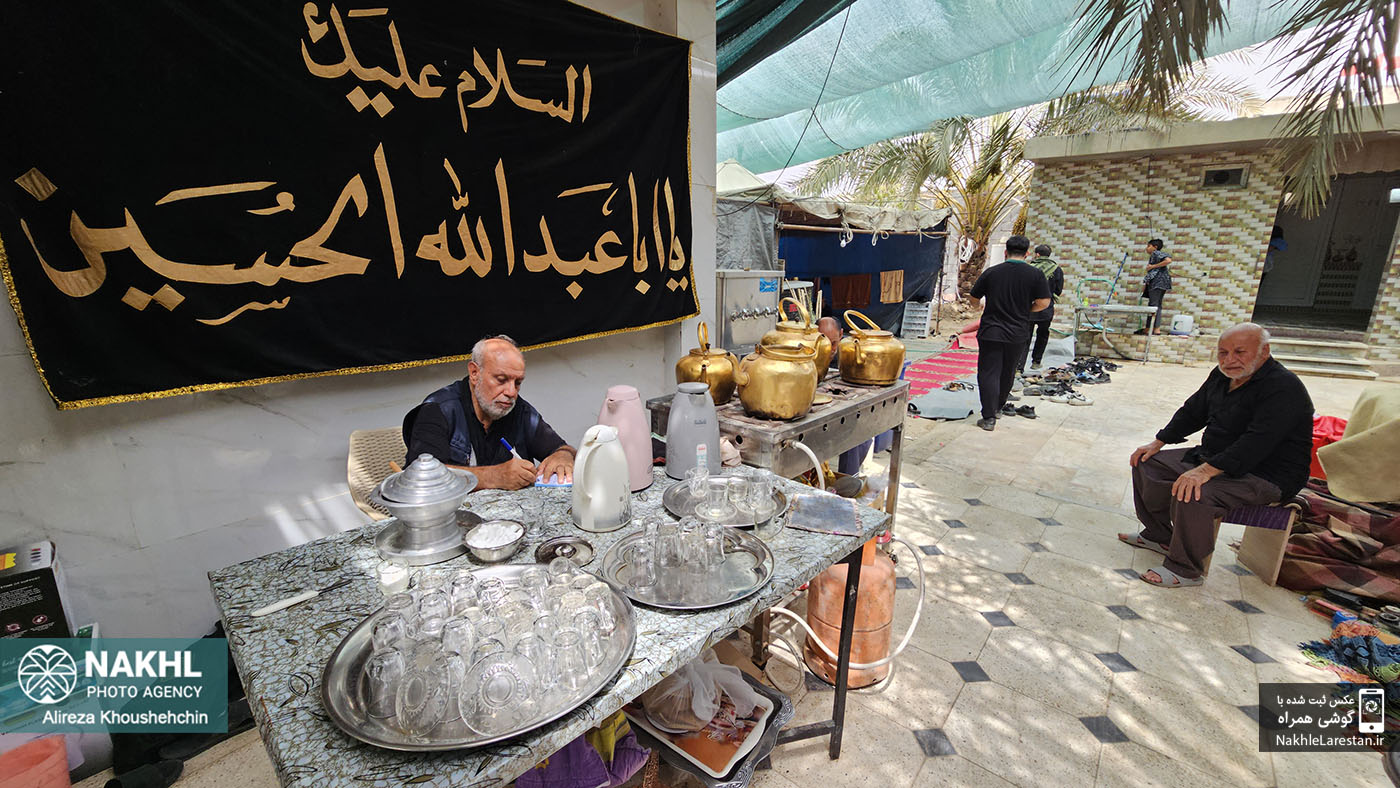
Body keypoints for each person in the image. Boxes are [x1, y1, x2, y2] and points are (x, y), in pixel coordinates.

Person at [1117, 324, 1313, 588]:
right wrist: (1159, 441)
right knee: (1147, 463)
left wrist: (1205, 471)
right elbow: (1193, 410)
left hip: (1266, 474)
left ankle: (1185, 568)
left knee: (1195, 491)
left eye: (1239, 352)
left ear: (1264, 351)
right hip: (1216, 457)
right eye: (1223, 352)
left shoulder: (1284, 387)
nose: (1229, 360)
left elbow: (1257, 442)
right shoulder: (1222, 376)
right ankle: (1159, 535)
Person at [402, 335, 575, 490]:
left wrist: (563, 456)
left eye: (517, 383)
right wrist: (494, 477)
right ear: (474, 373)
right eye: (501, 380)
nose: (511, 392)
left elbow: (563, 448)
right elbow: (420, 477)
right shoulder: (439, 409)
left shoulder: (518, 409)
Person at [969, 235, 1052, 431]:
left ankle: (988, 417)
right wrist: (1026, 310)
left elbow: (973, 297)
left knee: (989, 372)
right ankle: (998, 408)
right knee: (1008, 371)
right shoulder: (1035, 274)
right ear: (1027, 253)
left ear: (1006, 252)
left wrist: (979, 307)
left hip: (991, 331)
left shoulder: (992, 272)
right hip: (1018, 332)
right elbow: (1044, 302)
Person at [1019, 244, 1063, 371]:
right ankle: (1036, 362)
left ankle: (1019, 366)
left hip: (1029, 307)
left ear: (1037, 254)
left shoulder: (1029, 268)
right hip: (1046, 307)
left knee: (1025, 336)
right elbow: (1058, 290)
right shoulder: (1056, 269)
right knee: (1042, 335)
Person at [1141, 238, 1172, 334]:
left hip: (1157, 283)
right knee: (1157, 305)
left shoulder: (1156, 253)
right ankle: (1154, 328)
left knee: (1153, 306)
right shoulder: (1155, 256)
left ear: (1155, 247)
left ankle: (1151, 328)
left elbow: (1168, 260)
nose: (1146, 248)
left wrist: (1152, 266)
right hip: (1162, 283)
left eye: (1148, 246)